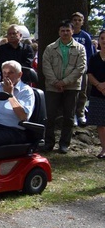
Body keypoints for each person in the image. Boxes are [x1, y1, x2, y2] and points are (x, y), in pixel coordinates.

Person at [41, 21, 87, 154]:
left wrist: (65, 82)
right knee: (50, 116)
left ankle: (64, 144)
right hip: (52, 87)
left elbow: (80, 68)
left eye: (67, 30)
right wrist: (56, 82)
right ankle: (49, 143)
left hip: (72, 87)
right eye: (62, 30)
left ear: (72, 31)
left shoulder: (80, 48)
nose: (65, 33)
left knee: (69, 116)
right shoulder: (50, 48)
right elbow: (46, 66)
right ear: (58, 32)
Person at [71, 12, 96, 126]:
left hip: (83, 68)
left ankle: (80, 114)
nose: (76, 22)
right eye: (75, 20)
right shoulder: (69, 34)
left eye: (79, 20)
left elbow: (90, 53)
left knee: (82, 91)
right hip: (70, 68)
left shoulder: (85, 36)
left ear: (82, 22)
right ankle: (72, 114)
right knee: (71, 92)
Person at [86, 30, 105, 158]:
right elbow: (89, 74)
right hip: (97, 94)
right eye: (102, 38)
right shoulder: (94, 57)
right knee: (101, 124)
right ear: (99, 41)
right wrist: (99, 85)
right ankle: (104, 149)